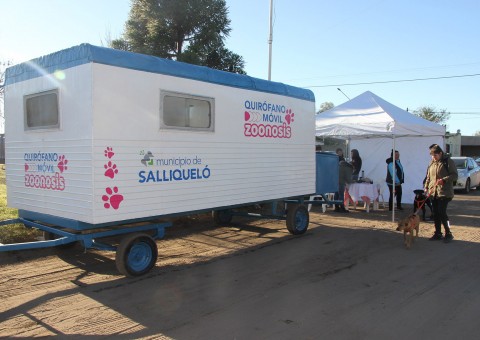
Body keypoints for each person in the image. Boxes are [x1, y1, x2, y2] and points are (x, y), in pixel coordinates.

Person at [424, 144, 458, 242]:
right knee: (435, 213)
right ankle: (438, 233)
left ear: (440, 153)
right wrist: (426, 187)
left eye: (435, 155)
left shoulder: (448, 162)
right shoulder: (431, 163)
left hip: (444, 192)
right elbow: (428, 177)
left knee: (442, 212)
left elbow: (455, 175)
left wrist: (444, 180)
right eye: (432, 156)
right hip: (433, 192)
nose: (433, 157)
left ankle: (448, 233)